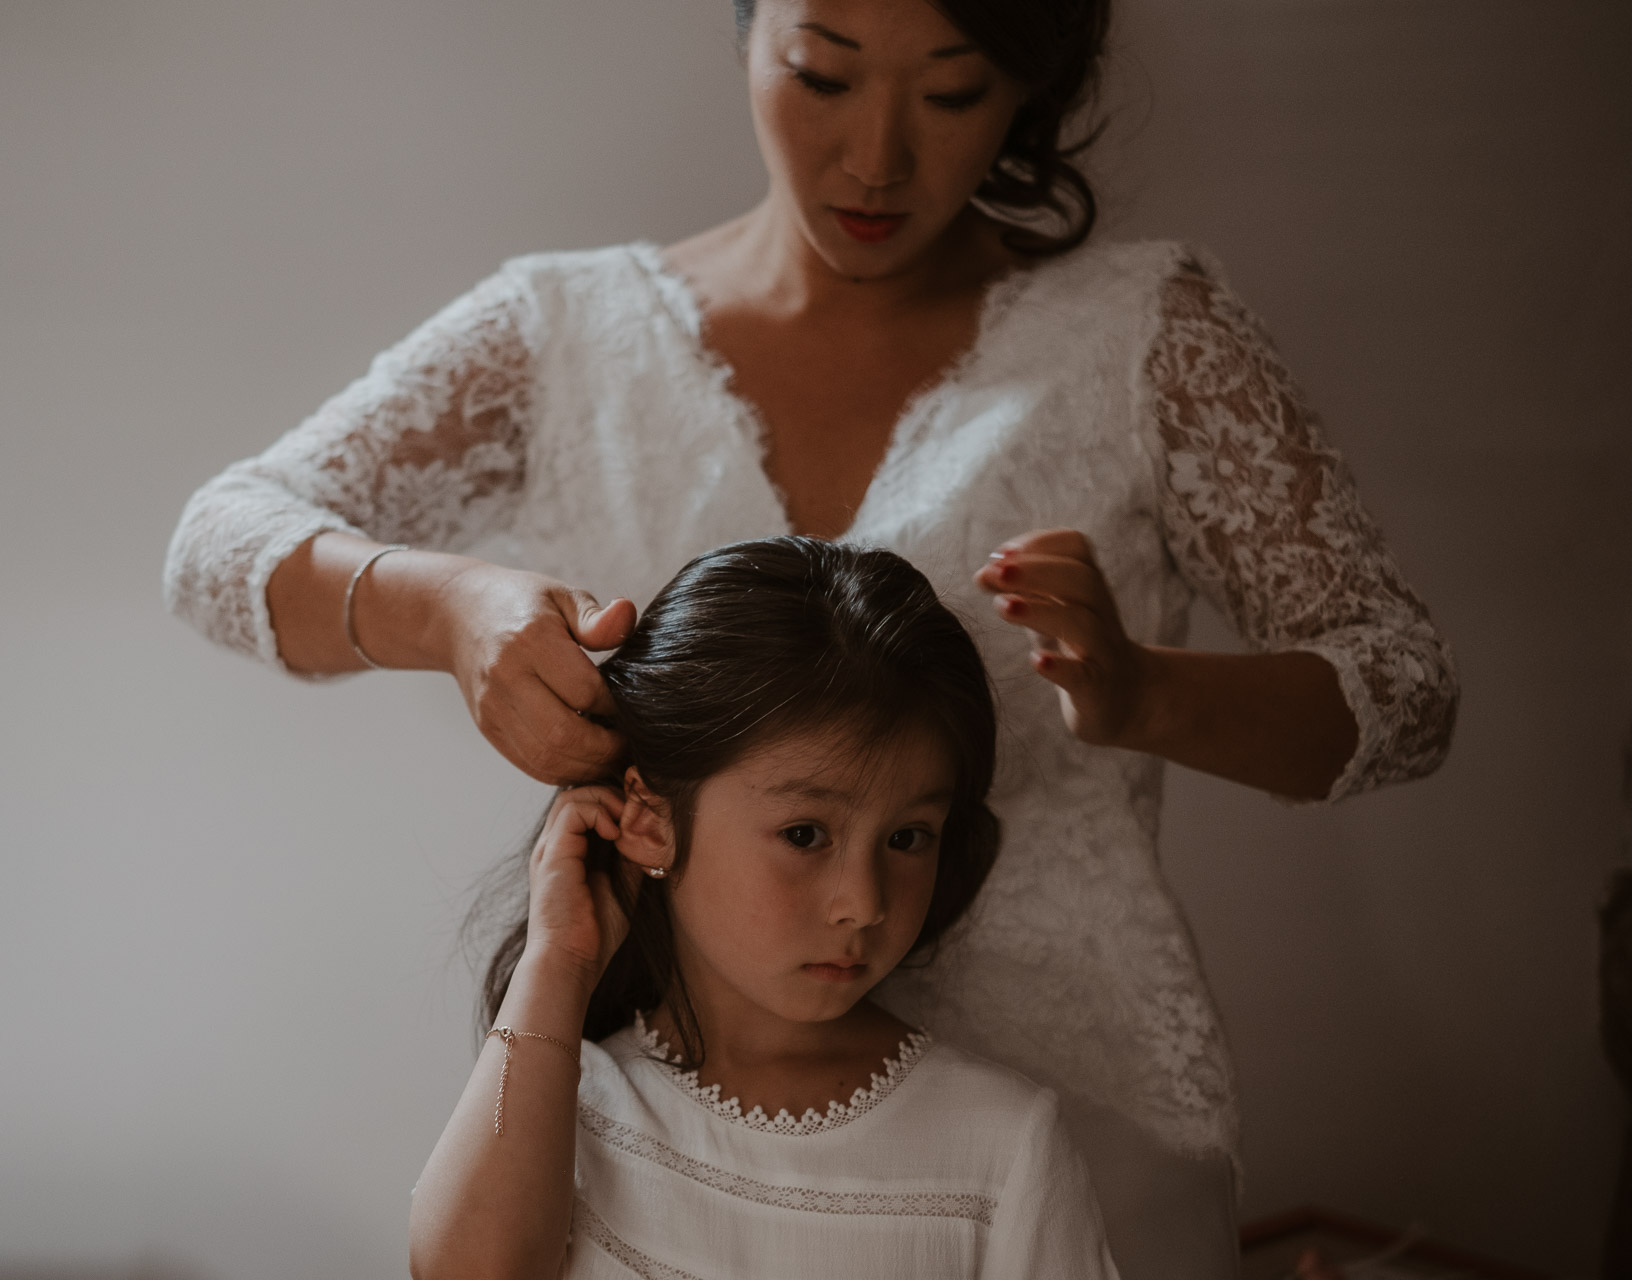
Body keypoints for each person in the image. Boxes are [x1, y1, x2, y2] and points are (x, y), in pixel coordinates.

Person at [163, 0, 1459, 1272]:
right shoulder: (565, 337)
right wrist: (444, 609)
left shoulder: (1145, 334)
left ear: (1030, 81)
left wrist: (1143, 693)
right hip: (665, 1143)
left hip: (1081, 1129)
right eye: (824, 74)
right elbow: (216, 542)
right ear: (746, 34)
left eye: (951, 92)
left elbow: (1404, 689)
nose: (877, 157)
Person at [411, 536, 1119, 1280]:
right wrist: (560, 961)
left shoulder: (1000, 1146)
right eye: (805, 834)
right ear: (651, 821)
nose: (864, 903)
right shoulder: (564, 1110)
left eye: (908, 837)